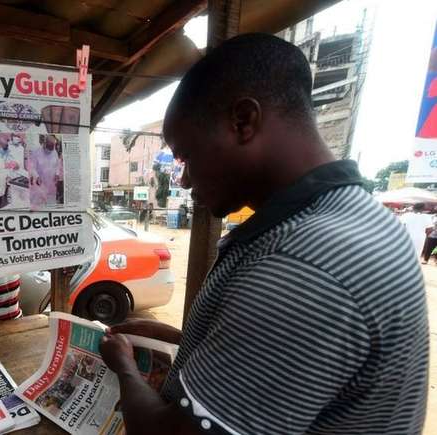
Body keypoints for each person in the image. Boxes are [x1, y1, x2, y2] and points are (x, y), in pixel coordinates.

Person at [99, 33, 428, 435]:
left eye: (185, 155)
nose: (183, 180)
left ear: (243, 122)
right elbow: (295, 365)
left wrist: (125, 369)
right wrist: (186, 341)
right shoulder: (358, 219)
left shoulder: (302, 266)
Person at [0, 133, 24, 209]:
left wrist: (9, 174)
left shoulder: (5, 151)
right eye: (7, 140)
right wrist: (6, 165)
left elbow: (10, 167)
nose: (9, 141)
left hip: (3, 190)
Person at [29, 134, 63, 208]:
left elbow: (57, 165)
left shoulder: (54, 152)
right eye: (49, 147)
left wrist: (57, 174)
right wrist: (37, 177)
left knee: (51, 206)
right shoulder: (36, 152)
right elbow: (31, 167)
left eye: (52, 147)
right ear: (44, 143)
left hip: (52, 185)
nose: (51, 150)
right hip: (40, 185)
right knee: (39, 207)